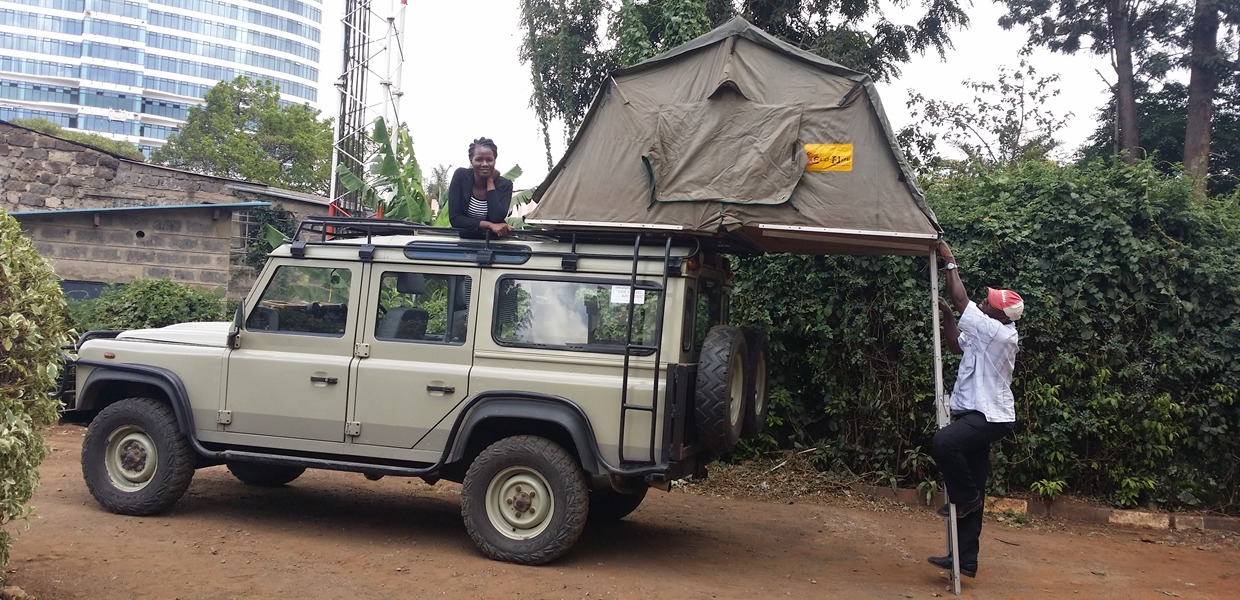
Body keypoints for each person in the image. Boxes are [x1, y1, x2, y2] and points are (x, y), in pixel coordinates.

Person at [927, 239, 1024, 580]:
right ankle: (965, 560)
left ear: (1000, 314)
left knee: (944, 444)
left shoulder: (999, 334)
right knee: (971, 485)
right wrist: (948, 317)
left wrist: (949, 260)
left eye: (990, 302)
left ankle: (968, 497)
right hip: (975, 414)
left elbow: (961, 298)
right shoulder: (984, 332)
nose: (984, 301)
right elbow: (955, 345)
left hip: (991, 417)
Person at [447, 137, 514, 237]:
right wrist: (489, 225)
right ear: (471, 161)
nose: (485, 164)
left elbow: (496, 217)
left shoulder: (505, 185)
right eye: (479, 159)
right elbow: (455, 218)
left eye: (489, 160)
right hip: (464, 241)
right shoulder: (461, 176)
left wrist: (490, 181)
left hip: (493, 242)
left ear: (494, 161)